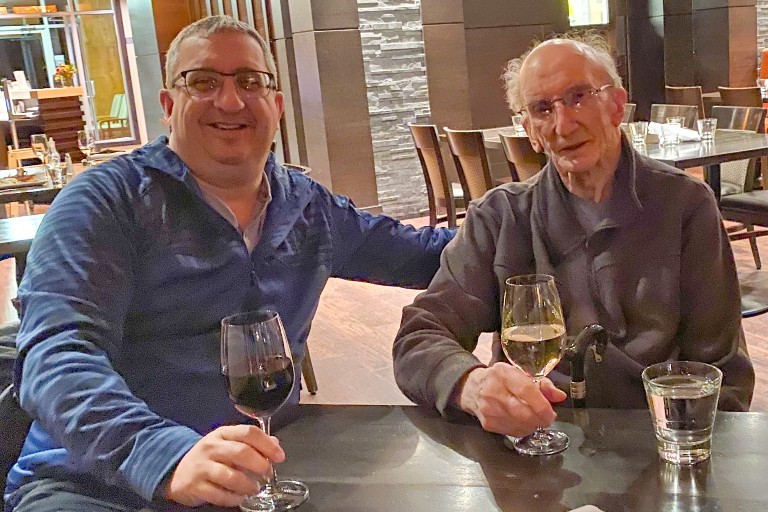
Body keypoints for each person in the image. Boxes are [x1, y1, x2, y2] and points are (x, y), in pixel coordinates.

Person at [4, 15, 453, 511]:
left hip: (257, 478)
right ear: (169, 106)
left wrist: (534, 212)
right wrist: (163, 455)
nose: (231, 100)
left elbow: (425, 254)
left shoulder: (306, 207)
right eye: (203, 82)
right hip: (96, 485)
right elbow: (57, 355)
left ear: (276, 105)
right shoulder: (104, 204)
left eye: (249, 81)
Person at [393, 32, 754, 439]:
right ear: (530, 130)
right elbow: (419, 337)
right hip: (539, 448)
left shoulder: (685, 205)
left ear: (617, 105)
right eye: (543, 109)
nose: (563, 124)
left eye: (579, 96)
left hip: (660, 442)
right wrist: (471, 386)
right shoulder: (500, 217)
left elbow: (722, 371)